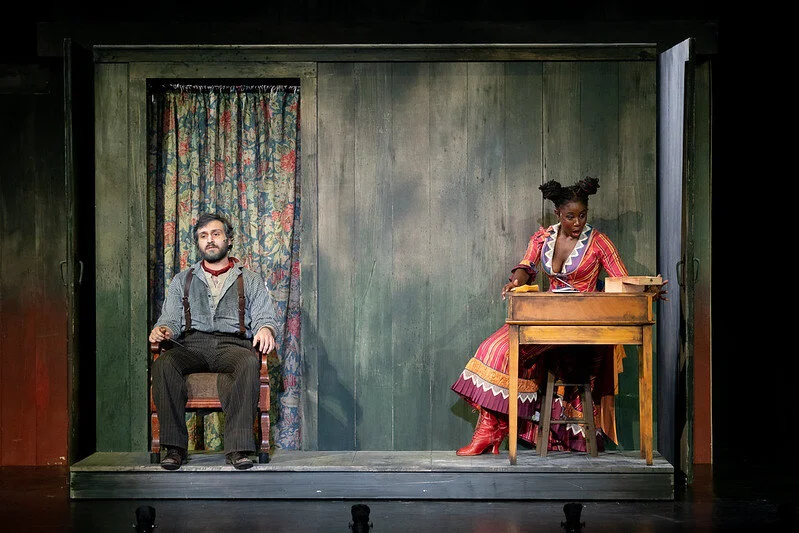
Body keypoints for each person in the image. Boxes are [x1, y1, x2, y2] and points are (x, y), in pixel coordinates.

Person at [450, 176, 667, 456]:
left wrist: (645, 291)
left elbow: (621, 280)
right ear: (558, 214)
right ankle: (491, 430)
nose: (577, 223)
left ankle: (491, 431)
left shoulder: (600, 243)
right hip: (546, 317)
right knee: (494, 347)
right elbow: (525, 267)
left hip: (582, 324)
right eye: (570, 217)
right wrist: (516, 281)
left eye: (582, 215)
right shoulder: (544, 238)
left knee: (504, 350)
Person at [148, 212, 279, 470]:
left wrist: (265, 329)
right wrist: (162, 329)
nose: (210, 240)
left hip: (233, 346)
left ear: (228, 240)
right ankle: (174, 449)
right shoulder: (183, 279)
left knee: (248, 363)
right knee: (163, 364)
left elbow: (265, 316)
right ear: (198, 243)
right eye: (203, 236)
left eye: (216, 234)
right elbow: (171, 320)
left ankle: (239, 449)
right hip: (191, 345)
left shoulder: (249, 279)